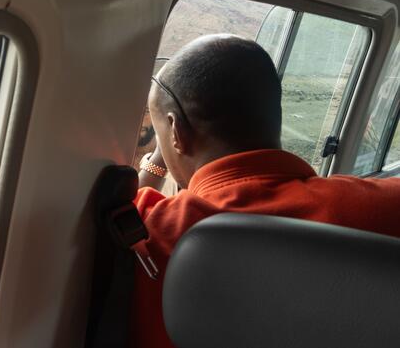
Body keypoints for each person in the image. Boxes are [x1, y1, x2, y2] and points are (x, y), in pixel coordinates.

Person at [131, 34, 400, 348]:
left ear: (176, 132)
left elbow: (124, 206)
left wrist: (158, 160)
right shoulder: (384, 206)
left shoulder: (148, 230)